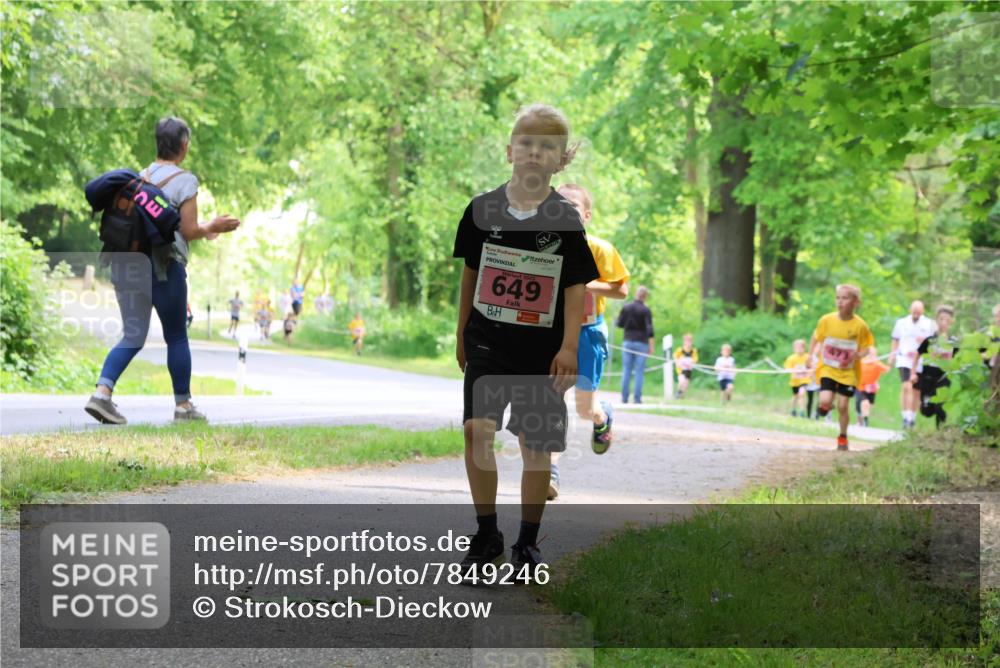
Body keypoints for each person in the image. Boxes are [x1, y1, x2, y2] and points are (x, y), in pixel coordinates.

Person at [452, 103, 598, 579]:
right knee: (477, 432)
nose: (536, 153)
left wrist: (570, 346)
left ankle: (527, 543)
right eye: (528, 144)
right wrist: (461, 332)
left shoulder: (564, 218)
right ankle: (486, 531)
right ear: (510, 150)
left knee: (536, 446)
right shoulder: (482, 210)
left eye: (548, 147)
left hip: (543, 350)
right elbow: (471, 274)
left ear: (562, 159)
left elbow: (576, 285)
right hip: (487, 341)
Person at [84, 117, 240, 425]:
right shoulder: (185, 181)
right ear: (184, 147)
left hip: (126, 266)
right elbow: (189, 229)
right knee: (177, 337)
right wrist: (214, 226)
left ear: (158, 144)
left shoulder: (136, 177)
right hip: (163, 270)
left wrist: (203, 229)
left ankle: (102, 395)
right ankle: (183, 407)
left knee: (132, 335)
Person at [545, 183, 629, 501]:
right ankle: (550, 471)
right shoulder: (544, 247)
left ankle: (602, 415)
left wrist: (586, 285)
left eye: (573, 206)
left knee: (583, 408)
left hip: (588, 333)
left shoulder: (600, 249)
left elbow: (621, 290)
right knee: (552, 401)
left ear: (587, 214)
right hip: (552, 333)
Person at [809, 284, 874, 451]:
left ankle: (843, 436)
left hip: (848, 372)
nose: (840, 302)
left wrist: (857, 355)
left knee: (843, 406)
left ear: (856, 302)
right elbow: (816, 337)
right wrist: (810, 356)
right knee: (824, 399)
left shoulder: (861, 326)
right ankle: (825, 406)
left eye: (845, 298)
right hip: (828, 368)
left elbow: (867, 348)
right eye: (838, 298)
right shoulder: (826, 320)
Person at [890, 300, 937, 429]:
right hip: (904, 358)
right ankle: (905, 416)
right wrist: (892, 354)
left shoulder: (929, 324)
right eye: (914, 310)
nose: (916, 313)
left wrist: (926, 341)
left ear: (922, 310)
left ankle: (912, 417)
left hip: (920, 361)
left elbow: (934, 342)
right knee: (906, 386)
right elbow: (895, 339)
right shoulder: (902, 322)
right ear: (910, 309)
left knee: (916, 391)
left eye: (918, 310)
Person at [912, 305, 959, 428]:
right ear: (937, 320)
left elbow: (958, 360)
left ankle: (941, 431)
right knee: (926, 411)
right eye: (941, 319)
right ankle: (927, 407)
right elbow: (917, 355)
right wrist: (913, 373)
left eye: (947, 320)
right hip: (928, 376)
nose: (944, 323)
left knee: (940, 405)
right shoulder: (930, 339)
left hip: (943, 376)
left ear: (951, 322)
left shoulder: (953, 341)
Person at [616, 286, 655, 404]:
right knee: (639, 371)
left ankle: (624, 398)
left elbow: (619, 323)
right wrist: (651, 345)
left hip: (628, 342)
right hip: (642, 343)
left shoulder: (626, 307)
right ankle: (637, 399)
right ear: (645, 297)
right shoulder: (646, 310)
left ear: (636, 294)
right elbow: (650, 329)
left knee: (626, 370)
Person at [855, 347, 889, 427]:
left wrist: (890, 361)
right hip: (861, 387)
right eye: (869, 354)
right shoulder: (861, 363)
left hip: (872, 389)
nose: (871, 356)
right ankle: (864, 421)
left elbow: (887, 369)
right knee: (864, 403)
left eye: (873, 354)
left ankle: (864, 417)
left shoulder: (877, 364)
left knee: (869, 405)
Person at [783, 339, 810, 417]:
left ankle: (802, 411)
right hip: (794, 381)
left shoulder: (807, 357)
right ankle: (793, 410)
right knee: (795, 396)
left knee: (802, 394)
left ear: (804, 348)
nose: (799, 349)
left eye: (801, 348)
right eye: (797, 348)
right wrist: (793, 370)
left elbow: (811, 367)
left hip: (804, 380)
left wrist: (809, 374)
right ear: (794, 348)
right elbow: (787, 368)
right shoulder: (791, 358)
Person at [673, 333, 698, 399]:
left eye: (689, 341)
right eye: (686, 341)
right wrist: (677, 362)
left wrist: (692, 363)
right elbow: (675, 356)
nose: (688, 343)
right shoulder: (680, 350)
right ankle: (679, 392)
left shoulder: (693, 351)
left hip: (688, 370)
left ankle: (682, 396)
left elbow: (695, 359)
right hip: (681, 370)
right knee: (682, 381)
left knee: (686, 384)